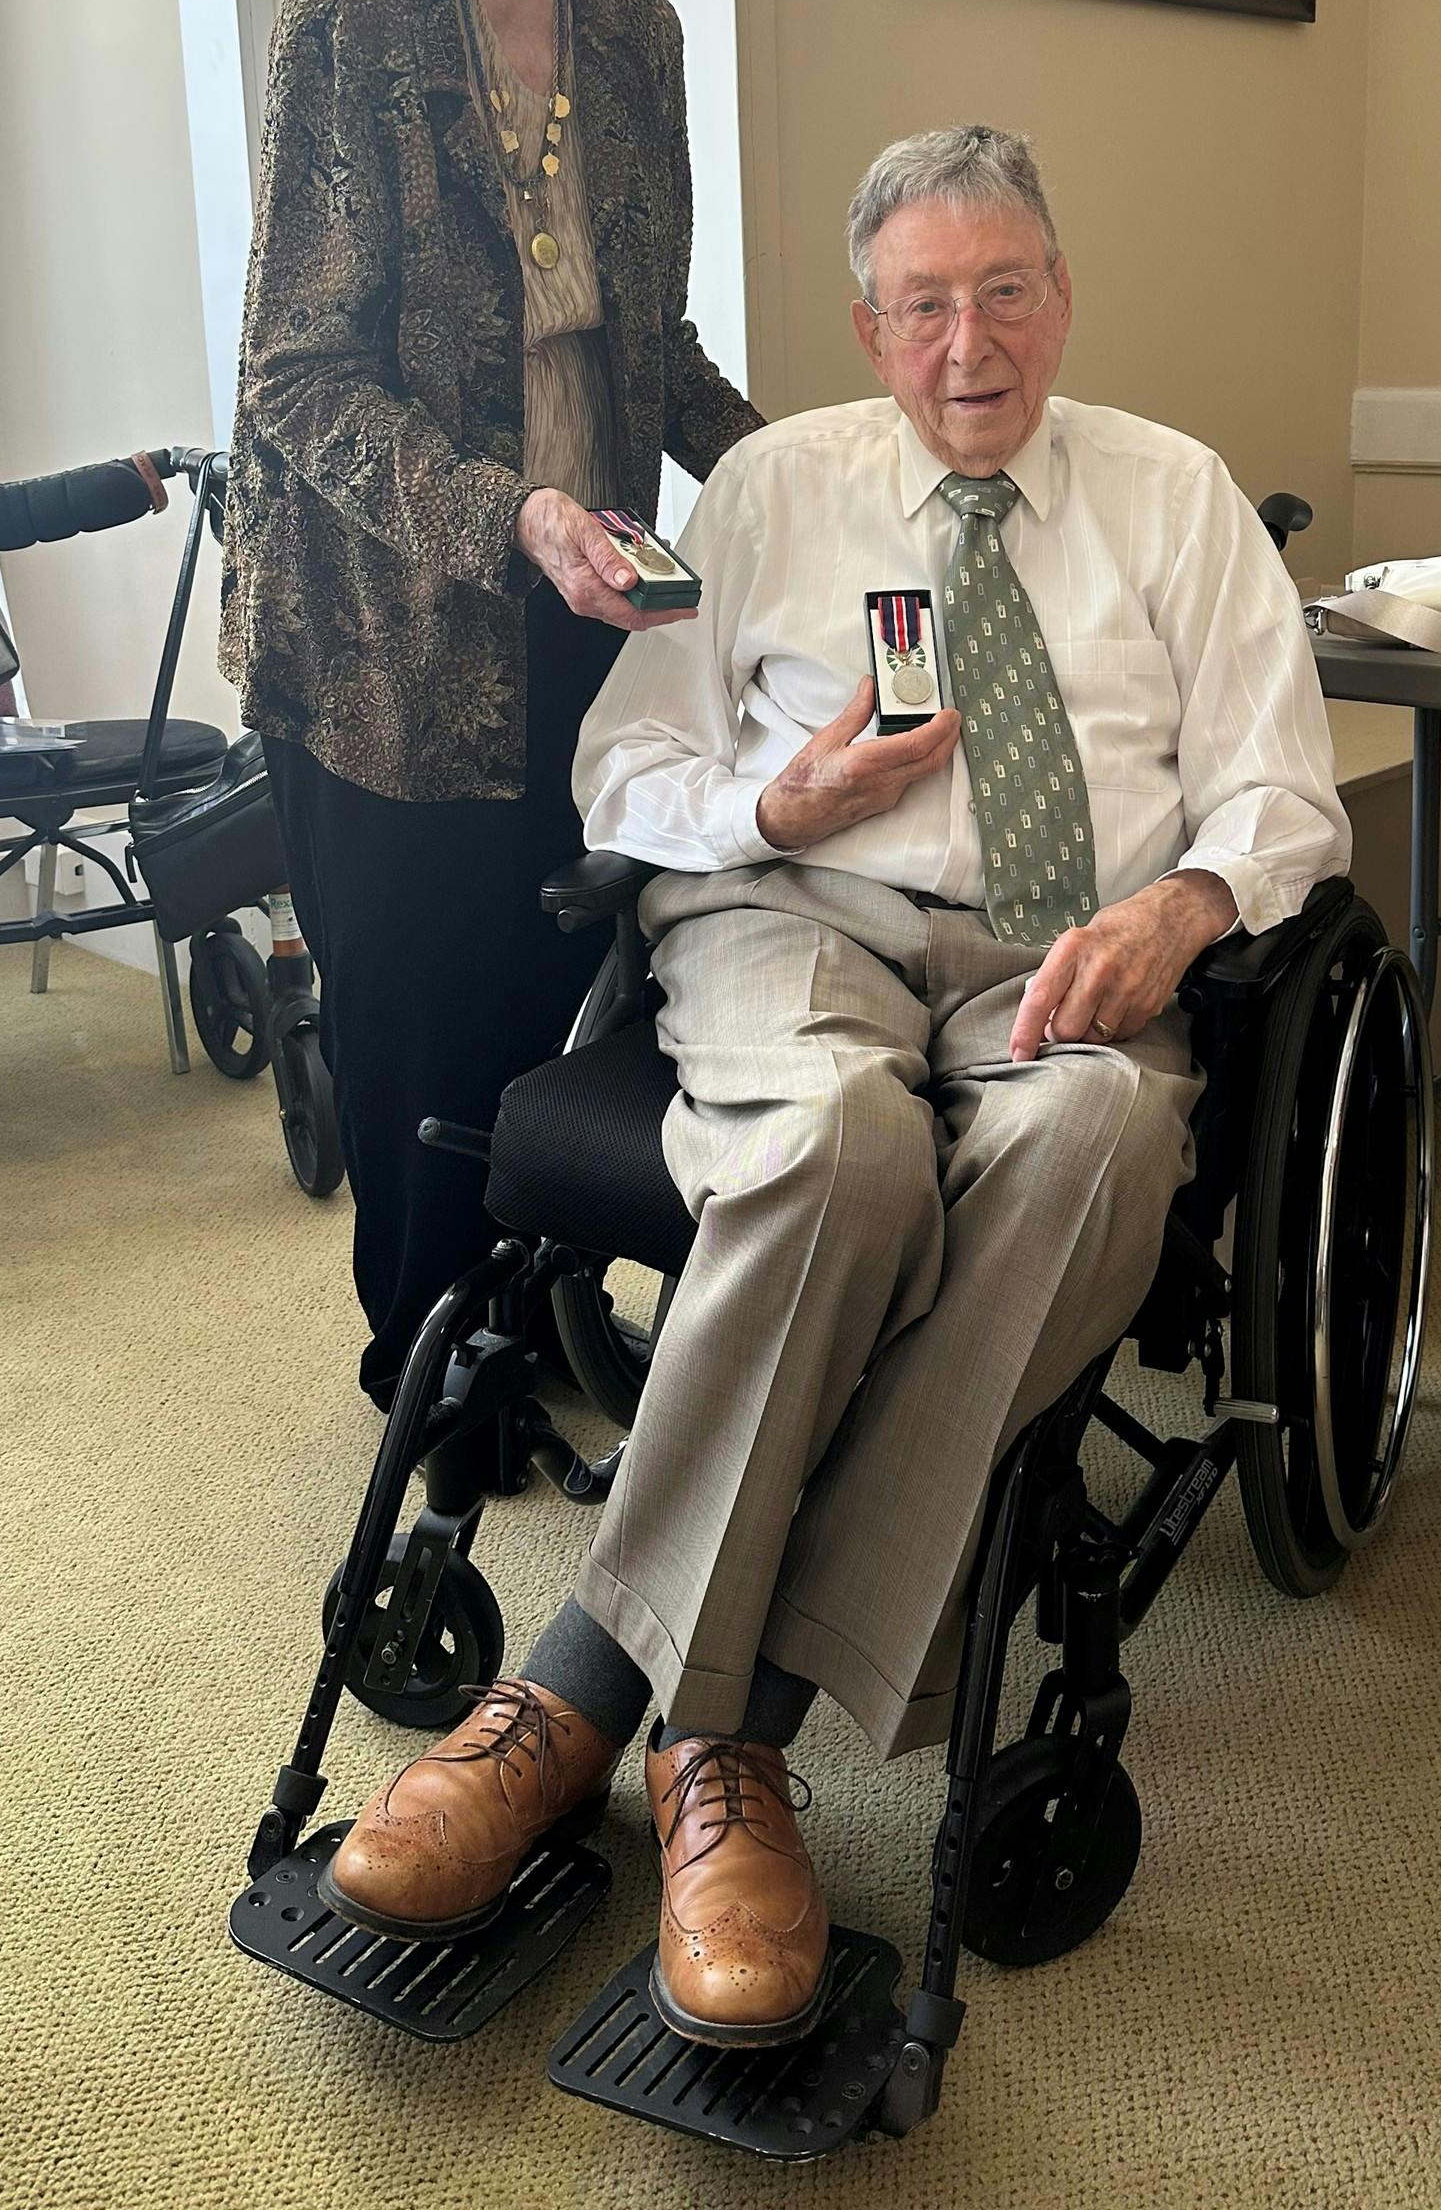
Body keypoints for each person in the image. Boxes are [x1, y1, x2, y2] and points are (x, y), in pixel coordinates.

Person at [317, 123, 1348, 2047]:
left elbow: (1288, 786)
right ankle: (649, 1732)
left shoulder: (1178, 496)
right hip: (798, 922)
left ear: (1064, 293)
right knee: (837, 1149)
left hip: (1070, 950)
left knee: (1110, 1125)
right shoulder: (777, 489)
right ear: (868, 329)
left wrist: (1196, 903)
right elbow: (624, 774)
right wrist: (767, 801)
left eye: (1009, 291)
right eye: (926, 306)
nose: (974, 345)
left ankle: (685, 1724)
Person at [220, 0, 759, 1409]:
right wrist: (506, 514)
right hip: (380, 620)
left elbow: (648, 346)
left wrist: (800, 472)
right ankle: (427, 1363)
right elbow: (294, 375)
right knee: (416, 1018)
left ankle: (536, 1310)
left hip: (587, 604)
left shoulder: (637, 29)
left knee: (557, 994)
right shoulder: (349, 11)